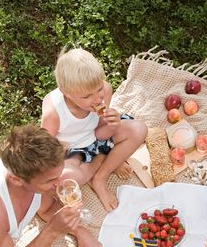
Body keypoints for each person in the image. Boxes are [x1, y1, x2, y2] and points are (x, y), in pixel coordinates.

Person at [41, 48, 148, 211]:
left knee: (139, 129)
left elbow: (98, 126)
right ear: (66, 93)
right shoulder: (54, 111)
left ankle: (100, 177)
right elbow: (46, 149)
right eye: (86, 96)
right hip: (71, 149)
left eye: (98, 89)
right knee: (66, 179)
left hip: (96, 134)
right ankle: (106, 159)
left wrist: (112, 125)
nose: (98, 99)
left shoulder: (105, 91)